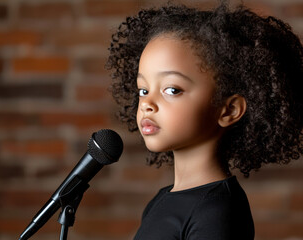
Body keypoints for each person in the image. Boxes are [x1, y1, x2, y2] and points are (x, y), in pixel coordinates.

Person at [106, 1, 303, 240]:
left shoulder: (217, 213)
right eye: (143, 90)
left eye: (172, 90)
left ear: (228, 110)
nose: (147, 103)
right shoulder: (162, 200)